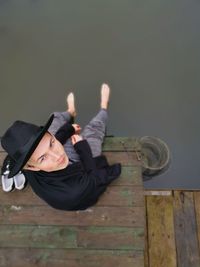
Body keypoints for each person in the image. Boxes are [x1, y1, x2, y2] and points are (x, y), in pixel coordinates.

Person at [1, 84, 121, 211]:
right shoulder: (74, 190)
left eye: (51, 143)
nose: (58, 156)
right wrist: (82, 146)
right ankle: (104, 106)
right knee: (93, 132)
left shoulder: (28, 161)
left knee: (55, 119)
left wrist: (69, 129)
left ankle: (70, 112)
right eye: (42, 158)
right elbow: (95, 177)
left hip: (62, 170)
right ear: (32, 167)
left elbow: (44, 146)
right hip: (83, 176)